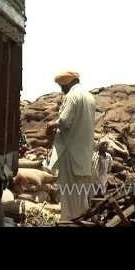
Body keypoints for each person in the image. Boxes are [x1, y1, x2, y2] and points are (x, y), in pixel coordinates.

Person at [46, 71, 96, 220]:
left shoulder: (72, 96)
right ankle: (81, 219)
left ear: (68, 83)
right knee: (80, 193)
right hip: (84, 153)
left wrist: (50, 125)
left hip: (70, 152)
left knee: (68, 193)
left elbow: (65, 120)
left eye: (62, 86)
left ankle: (69, 221)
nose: (62, 90)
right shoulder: (89, 97)